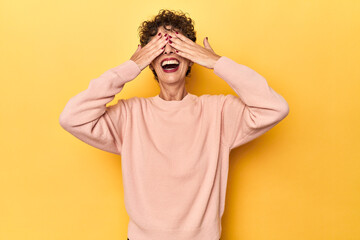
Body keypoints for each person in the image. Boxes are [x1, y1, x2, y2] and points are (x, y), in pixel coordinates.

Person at [59, 9, 289, 240]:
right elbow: (72, 117)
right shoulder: (130, 115)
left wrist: (217, 62)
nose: (168, 51)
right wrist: (130, 67)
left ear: (191, 57)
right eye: (159, 47)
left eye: (177, 45)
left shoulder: (218, 112)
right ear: (149, 60)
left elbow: (274, 107)